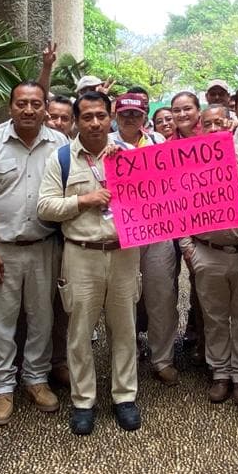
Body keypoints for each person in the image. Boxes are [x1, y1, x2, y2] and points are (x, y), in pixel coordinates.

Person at [38, 92, 142, 435]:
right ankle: (83, 401)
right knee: (80, 332)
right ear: (76, 121)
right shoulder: (62, 158)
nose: (95, 123)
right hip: (80, 253)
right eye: (87, 117)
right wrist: (83, 200)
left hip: (125, 252)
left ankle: (124, 397)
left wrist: (126, 168)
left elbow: (156, 197)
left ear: (110, 116)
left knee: (124, 328)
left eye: (101, 115)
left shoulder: (129, 155)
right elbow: (45, 207)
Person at [0, 82, 67, 425]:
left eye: (35, 103)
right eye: (21, 103)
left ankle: (36, 379)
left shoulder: (59, 144)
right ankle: (1, 387)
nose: (28, 110)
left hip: (46, 246)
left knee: (42, 317)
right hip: (2, 247)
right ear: (10, 106)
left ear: (46, 107)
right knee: (0, 321)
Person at [181, 105, 238, 405]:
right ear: (201, 126)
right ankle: (220, 373)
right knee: (213, 317)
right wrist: (189, 248)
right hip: (207, 252)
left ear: (230, 124)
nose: (214, 129)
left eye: (219, 123)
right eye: (208, 124)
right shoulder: (189, 161)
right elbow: (177, 205)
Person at [111, 92, 181, 385]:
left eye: (136, 113)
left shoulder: (159, 143)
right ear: (116, 115)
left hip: (158, 229)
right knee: (121, 298)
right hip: (121, 232)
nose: (130, 118)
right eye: (124, 113)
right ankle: (123, 356)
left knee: (162, 295)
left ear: (145, 116)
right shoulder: (105, 146)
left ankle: (162, 358)